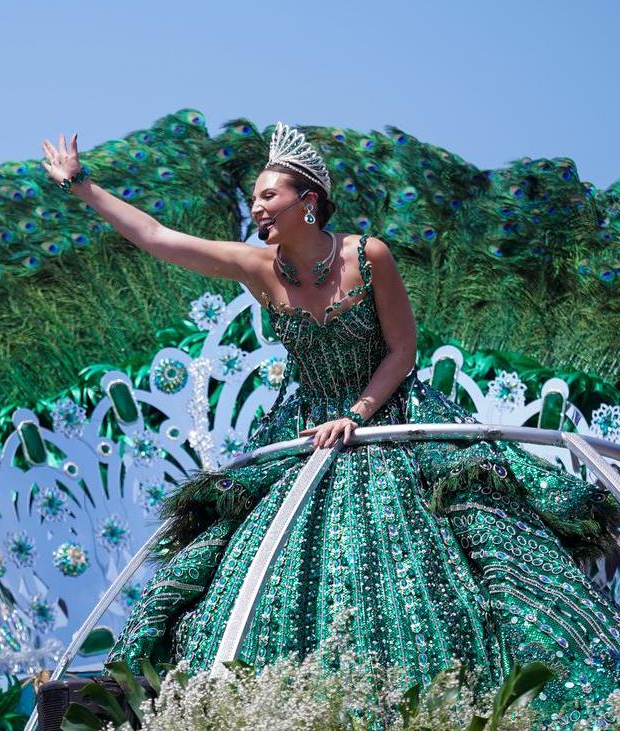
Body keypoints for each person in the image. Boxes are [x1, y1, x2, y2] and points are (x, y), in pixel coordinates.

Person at [39, 122, 620, 720]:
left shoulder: (368, 256)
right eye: (253, 198)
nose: (256, 207)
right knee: (236, 566)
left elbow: (403, 350)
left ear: (308, 201)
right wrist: (82, 186)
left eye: (269, 195)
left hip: (389, 422)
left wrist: (356, 414)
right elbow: (159, 236)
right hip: (305, 435)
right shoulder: (258, 267)